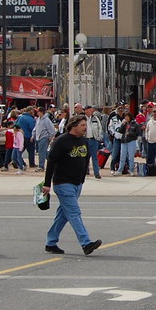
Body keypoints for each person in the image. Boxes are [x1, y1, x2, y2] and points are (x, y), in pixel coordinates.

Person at [41, 114, 102, 256]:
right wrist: (47, 183)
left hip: (77, 183)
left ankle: (51, 242)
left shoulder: (83, 141)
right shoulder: (61, 141)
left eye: (85, 125)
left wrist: (82, 179)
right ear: (73, 126)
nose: (85, 128)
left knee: (63, 215)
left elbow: (86, 159)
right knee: (74, 213)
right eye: (82, 125)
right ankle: (86, 243)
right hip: (63, 183)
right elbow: (51, 161)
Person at [84, 105, 106, 179]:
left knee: (95, 157)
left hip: (93, 139)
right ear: (86, 110)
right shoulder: (82, 118)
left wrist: (99, 137)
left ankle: (96, 172)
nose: (91, 111)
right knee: (85, 157)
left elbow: (99, 128)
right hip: (85, 140)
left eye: (92, 110)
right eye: (90, 110)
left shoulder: (95, 118)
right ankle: (85, 171)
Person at [33, 107, 57, 171]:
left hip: (44, 137)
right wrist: (33, 135)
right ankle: (54, 162)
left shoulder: (46, 120)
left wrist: (50, 137)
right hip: (39, 137)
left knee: (41, 152)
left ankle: (41, 166)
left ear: (42, 112)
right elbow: (35, 128)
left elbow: (51, 129)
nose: (37, 113)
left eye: (38, 111)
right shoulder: (38, 119)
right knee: (45, 152)